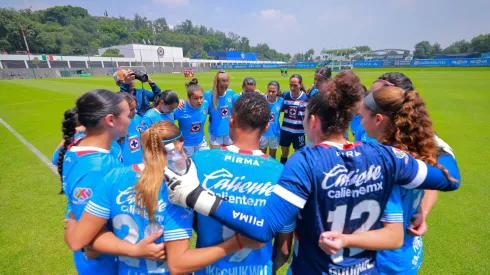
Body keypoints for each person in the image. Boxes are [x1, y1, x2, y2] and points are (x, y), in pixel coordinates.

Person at [163, 71, 461, 275]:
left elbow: (263, 228)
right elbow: (449, 179)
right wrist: (426, 147)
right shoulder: (386, 157)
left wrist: (197, 196)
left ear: (313, 121)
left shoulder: (305, 162)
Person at [64, 121, 264, 275]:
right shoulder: (178, 190)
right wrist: (237, 243)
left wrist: (74, 223)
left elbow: (81, 242)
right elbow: (179, 264)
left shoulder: (114, 177)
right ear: (180, 144)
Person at [190, 93, 294, 275]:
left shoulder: (199, 161)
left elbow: (189, 223)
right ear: (266, 127)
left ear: (231, 121)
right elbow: (284, 250)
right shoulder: (282, 174)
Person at [359, 85, 457, 274]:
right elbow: (435, 186)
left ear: (378, 119)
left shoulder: (387, 164)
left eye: (363, 117)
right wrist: (422, 213)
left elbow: (391, 233)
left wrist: (343, 239)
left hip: (385, 261)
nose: (361, 123)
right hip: (408, 251)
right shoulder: (415, 153)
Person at [56, 90, 131, 274]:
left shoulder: (76, 145)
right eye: (128, 115)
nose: (131, 120)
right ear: (110, 120)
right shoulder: (97, 168)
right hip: (104, 265)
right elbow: (89, 246)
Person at [174, 81, 210, 158]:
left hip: (201, 142)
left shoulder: (206, 104)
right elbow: (168, 120)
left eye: (201, 97)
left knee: (205, 163)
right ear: (189, 98)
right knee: (190, 167)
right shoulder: (181, 108)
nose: (199, 101)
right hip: (186, 145)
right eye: (195, 98)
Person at [279, 74, 308, 164]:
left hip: (299, 132)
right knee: (284, 154)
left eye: (295, 85)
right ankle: (282, 171)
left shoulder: (307, 98)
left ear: (301, 85)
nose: (292, 87)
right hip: (285, 131)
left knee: (298, 156)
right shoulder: (285, 95)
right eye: (291, 85)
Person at [205, 70, 235, 148]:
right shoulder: (208, 95)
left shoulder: (231, 93)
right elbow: (196, 105)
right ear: (216, 84)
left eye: (226, 87)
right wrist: (181, 101)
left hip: (229, 132)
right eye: (221, 87)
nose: (224, 89)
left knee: (228, 158)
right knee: (217, 158)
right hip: (215, 133)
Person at [260, 81, 283, 159]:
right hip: (263, 133)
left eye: (273, 91)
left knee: (272, 157)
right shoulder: (262, 99)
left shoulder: (281, 101)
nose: (271, 93)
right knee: (262, 156)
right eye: (269, 91)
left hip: (275, 133)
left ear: (277, 91)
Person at [119, 93, 144, 165]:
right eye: (131, 109)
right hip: (125, 171)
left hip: (140, 168)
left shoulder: (137, 118)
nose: (135, 111)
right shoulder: (113, 130)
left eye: (135, 108)